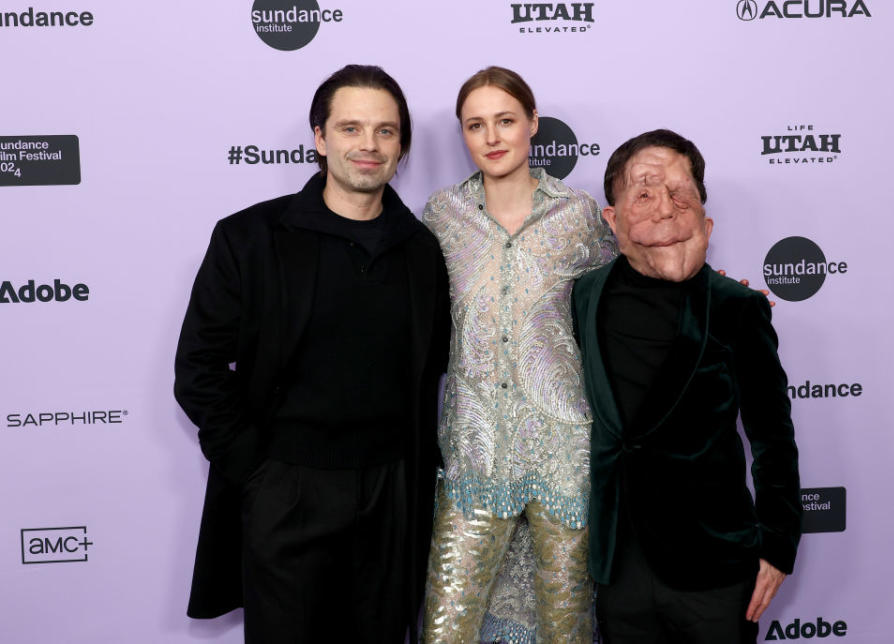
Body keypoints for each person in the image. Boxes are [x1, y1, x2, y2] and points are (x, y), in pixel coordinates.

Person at [173, 64, 450, 644]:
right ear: (320, 139)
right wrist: (255, 469)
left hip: (390, 495)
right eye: (350, 129)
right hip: (286, 489)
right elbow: (198, 368)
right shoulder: (249, 238)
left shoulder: (423, 251)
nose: (368, 146)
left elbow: (431, 373)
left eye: (385, 131)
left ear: (401, 146)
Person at [571, 129, 802, 644]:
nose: (667, 211)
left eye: (682, 195)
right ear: (613, 220)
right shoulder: (584, 297)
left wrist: (778, 543)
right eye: (645, 193)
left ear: (706, 218)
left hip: (715, 565)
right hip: (618, 568)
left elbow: (772, 436)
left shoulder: (737, 307)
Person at [420, 66, 618, 643]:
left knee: (568, 627)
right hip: (473, 451)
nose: (492, 137)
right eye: (475, 125)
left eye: (505, 120)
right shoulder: (440, 217)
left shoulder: (578, 215)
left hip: (565, 454)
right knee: (445, 627)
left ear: (532, 123)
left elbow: (631, 292)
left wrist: (711, 292)